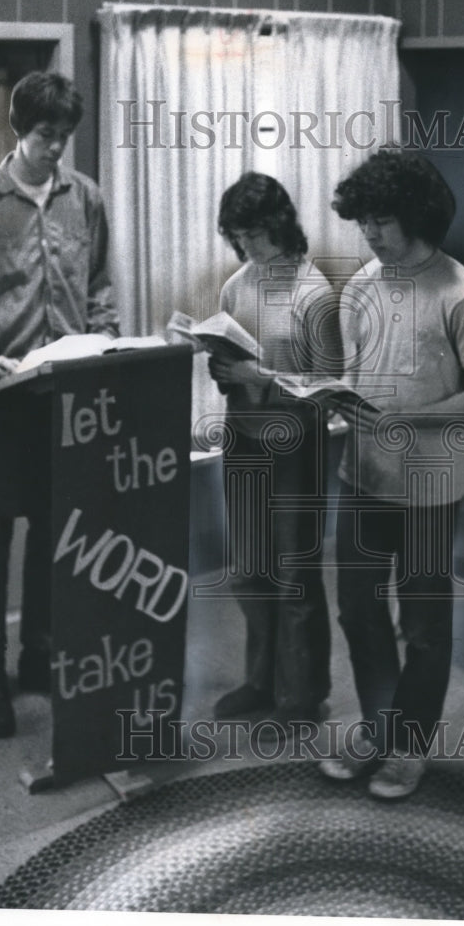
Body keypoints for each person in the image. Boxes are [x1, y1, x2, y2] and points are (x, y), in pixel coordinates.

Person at [0, 71, 120, 738]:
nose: (56, 149)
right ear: (20, 131)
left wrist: (103, 337)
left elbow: (99, 287)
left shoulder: (86, 200)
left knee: (52, 533)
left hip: (63, 401)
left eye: (65, 137)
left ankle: (38, 652)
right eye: (46, 136)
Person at [320, 150, 464, 798]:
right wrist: (331, 401)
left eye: (381, 219)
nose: (369, 232)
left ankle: (408, 745)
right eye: (362, 219)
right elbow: (356, 375)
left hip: (429, 486)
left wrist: (417, 416)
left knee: (423, 625)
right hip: (362, 476)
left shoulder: (460, 293)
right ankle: (377, 725)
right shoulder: (361, 287)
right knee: (357, 611)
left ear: (415, 215)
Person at [208, 171, 342, 739]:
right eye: (239, 238)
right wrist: (220, 370)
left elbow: (331, 383)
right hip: (242, 439)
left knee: (293, 575)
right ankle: (261, 681)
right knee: (248, 572)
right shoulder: (236, 286)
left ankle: (303, 694)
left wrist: (255, 375)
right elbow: (227, 368)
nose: (248, 249)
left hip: (295, 446)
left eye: (256, 236)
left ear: (281, 227)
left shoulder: (316, 295)